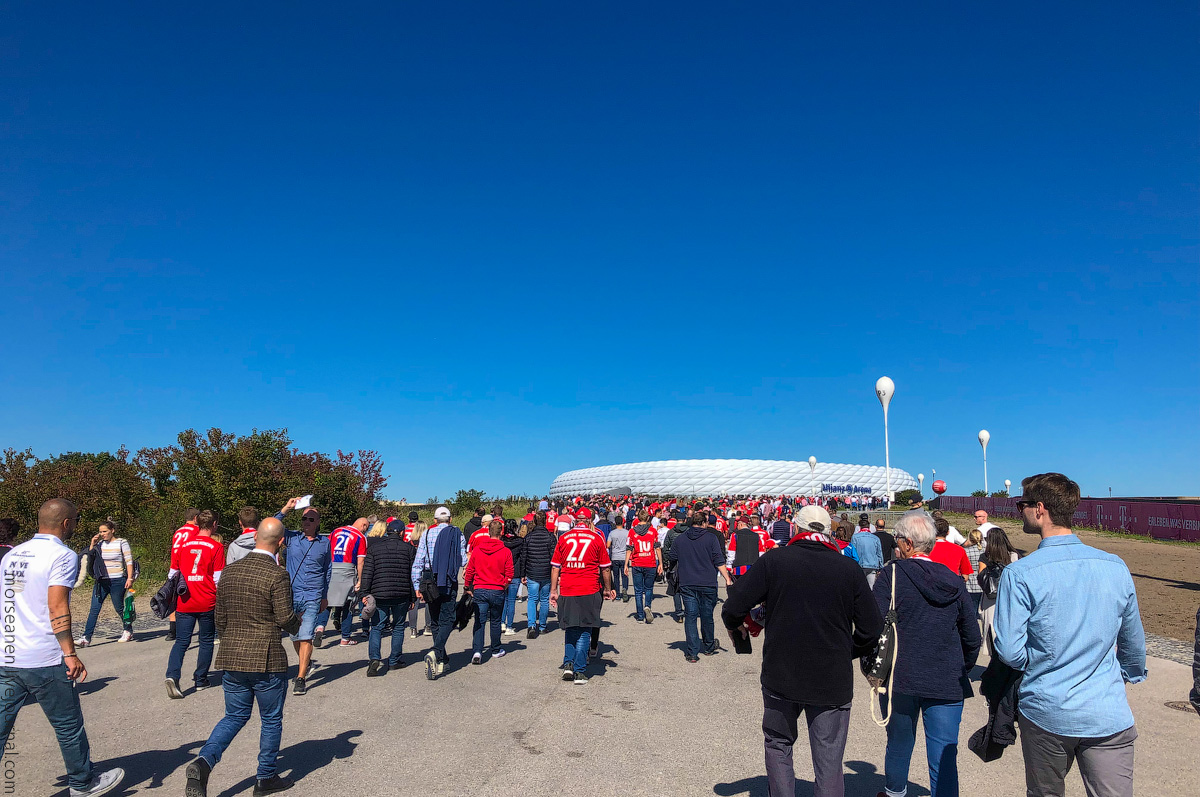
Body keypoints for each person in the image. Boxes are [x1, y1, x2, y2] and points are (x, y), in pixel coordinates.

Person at [994, 473, 1146, 797]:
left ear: (1039, 509)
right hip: (1107, 710)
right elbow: (1133, 643)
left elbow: (1008, 650)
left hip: (1047, 709)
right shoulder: (1115, 566)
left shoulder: (1020, 573)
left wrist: (1035, 662)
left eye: (1021, 504)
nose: (1018, 510)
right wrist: (1123, 677)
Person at [722, 504, 882, 797]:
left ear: (796, 528)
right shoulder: (848, 568)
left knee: (778, 743)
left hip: (782, 671)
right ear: (828, 532)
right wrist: (846, 651)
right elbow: (872, 628)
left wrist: (738, 627)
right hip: (831, 676)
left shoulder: (776, 560)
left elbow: (733, 607)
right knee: (829, 759)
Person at [0, 499, 125, 797]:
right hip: (43, 657)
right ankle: (83, 783)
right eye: (76, 520)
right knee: (68, 725)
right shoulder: (62, 556)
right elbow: (57, 607)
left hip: (8, 654)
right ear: (67, 523)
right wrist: (70, 653)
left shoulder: (12, 555)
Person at [184, 517, 301, 797]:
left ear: (256, 538)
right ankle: (266, 777)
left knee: (234, 716)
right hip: (267, 658)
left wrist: (231, 639)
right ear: (281, 542)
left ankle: (204, 761)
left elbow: (219, 617)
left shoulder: (230, 571)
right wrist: (300, 626)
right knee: (271, 719)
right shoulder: (277, 574)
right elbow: (285, 617)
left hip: (232, 655)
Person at [872, 510, 981, 797]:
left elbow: (873, 626)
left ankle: (895, 792)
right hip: (946, 677)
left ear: (907, 543)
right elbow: (972, 635)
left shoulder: (891, 574)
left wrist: (873, 667)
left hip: (900, 676)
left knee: (898, 742)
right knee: (944, 751)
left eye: (897, 540)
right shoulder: (953, 580)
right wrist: (962, 667)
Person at [549, 512, 615, 684]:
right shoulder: (596, 538)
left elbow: (556, 567)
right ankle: (579, 670)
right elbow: (605, 568)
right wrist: (608, 589)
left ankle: (568, 664)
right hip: (589, 588)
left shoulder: (564, 538)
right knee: (585, 630)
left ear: (574, 521)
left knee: (571, 628)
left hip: (568, 588)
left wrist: (553, 590)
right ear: (589, 521)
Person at [274, 498, 330, 696]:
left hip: (313, 594)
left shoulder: (325, 543)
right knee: (295, 637)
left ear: (318, 523)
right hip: (292, 593)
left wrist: (324, 596)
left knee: (306, 635)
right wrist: (286, 509)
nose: (307, 522)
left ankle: (300, 678)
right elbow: (272, 526)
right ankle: (305, 664)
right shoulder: (291, 538)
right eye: (304, 518)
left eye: (311, 519)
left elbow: (327, 570)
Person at [166, 509, 224, 698]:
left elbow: (172, 574)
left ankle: (172, 675)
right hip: (206, 599)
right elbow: (218, 578)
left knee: (182, 641)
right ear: (214, 525)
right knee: (206, 640)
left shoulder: (183, 546)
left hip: (185, 599)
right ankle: (201, 679)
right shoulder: (216, 547)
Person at [668, 513, 732, 662]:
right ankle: (709, 646)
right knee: (707, 615)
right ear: (704, 523)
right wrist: (727, 578)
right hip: (707, 582)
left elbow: (671, 556)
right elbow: (718, 560)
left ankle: (692, 652)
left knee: (690, 616)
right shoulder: (711, 538)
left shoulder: (681, 539)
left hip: (687, 582)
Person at [412, 506, 466, 680]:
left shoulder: (426, 534)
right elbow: (463, 559)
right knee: (449, 618)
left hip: (428, 578)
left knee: (435, 620)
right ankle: (436, 653)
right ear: (450, 519)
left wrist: (416, 586)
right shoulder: (457, 534)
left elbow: (418, 562)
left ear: (434, 521)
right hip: (448, 578)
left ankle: (442, 659)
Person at [360, 519, 416, 676]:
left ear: (387, 531)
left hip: (379, 593)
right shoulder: (408, 549)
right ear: (402, 533)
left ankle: (374, 659)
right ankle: (394, 660)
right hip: (401, 594)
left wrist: (364, 593)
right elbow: (412, 575)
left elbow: (367, 573)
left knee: (376, 627)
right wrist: (413, 597)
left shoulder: (374, 549)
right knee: (398, 626)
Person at [77, 519, 135, 645]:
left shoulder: (121, 542)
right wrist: (93, 543)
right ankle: (86, 637)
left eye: (105, 531)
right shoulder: (100, 544)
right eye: (100, 532)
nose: (102, 534)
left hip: (117, 580)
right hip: (101, 581)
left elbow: (129, 561)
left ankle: (128, 630)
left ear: (112, 530)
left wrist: (130, 578)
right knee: (94, 609)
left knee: (119, 607)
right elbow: (90, 557)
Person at [464, 519, 515, 664]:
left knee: (479, 621)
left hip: (480, 588)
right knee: (495, 621)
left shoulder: (478, 550)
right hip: (497, 589)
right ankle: (496, 649)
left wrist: (467, 586)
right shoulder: (505, 551)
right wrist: (504, 585)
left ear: (488, 532)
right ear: (501, 532)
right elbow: (509, 573)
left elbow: (470, 570)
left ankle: (477, 651)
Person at [975, 527, 1019, 657]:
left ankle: (995, 663)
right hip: (1008, 599)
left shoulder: (985, 557)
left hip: (990, 601)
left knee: (991, 632)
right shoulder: (1013, 555)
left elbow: (981, 578)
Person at [328, 518, 368, 646]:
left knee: (327, 601)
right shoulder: (360, 537)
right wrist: (360, 580)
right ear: (363, 525)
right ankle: (345, 638)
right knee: (349, 604)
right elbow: (360, 561)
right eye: (366, 528)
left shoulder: (336, 531)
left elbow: (325, 549)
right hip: (347, 568)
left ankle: (319, 628)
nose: (366, 530)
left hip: (332, 566)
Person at [167, 508, 201, 640]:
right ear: (195, 518)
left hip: (174, 567)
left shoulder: (178, 531)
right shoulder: (196, 531)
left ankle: (172, 631)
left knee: (174, 598)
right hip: (188, 566)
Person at [523, 510, 556, 638]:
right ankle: (542, 626)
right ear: (546, 522)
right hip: (546, 573)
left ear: (535, 522)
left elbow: (524, 556)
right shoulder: (550, 537)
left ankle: (531, 625)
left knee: (532, 599)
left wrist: (522, 574)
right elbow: (554, 557)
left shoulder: (529, 537)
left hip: (532, 572)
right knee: (544, 600)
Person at [625, 511, 663, 623]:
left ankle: (640, 615)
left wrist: (626, 564)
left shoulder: (632, 532)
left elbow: (629, 548)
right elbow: (657, 548)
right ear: (647, 519)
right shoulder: (653, 531)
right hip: (650, 562)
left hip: (637, 563)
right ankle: (647, 606)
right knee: (649, 588)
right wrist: (660, 563)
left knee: (638, 590)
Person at [500, 519, 525, 636]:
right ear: (515, 528)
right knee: (511, 601)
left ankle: (502, 623)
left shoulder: (501, 541)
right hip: (515, 573)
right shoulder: (520, 541)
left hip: (502, 573)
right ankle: (509, 626)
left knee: (503, 600)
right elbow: (523, 558)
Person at [929, 517, 973, 583]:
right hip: (952, 586)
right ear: (948, 532)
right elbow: (965, 576)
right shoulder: (959, 550)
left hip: (930, 586)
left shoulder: (924, 549)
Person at [850, 518, 884, 587]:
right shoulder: (875, 538)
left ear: (859, 527)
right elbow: (879, 554)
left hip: (860, 564)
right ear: (869, 527)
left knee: (859, 586)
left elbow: (853, 552)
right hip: (872, 565)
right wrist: (881, 566)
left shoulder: (855, 537)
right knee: (871, 587)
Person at [606, 520, 630, 600]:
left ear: (615, 523)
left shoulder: (612, 533)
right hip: (624, 557)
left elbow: (608, 545)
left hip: (615, 557)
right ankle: (625, 589)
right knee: (624, 575)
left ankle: (617, 594)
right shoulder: (627, 532)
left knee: (616, 576)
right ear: (623, 523)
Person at [962, 531, 984, 612]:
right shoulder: (986, 550)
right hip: (984, 583)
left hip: (971, 584)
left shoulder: (966, 551)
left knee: (972, 609)